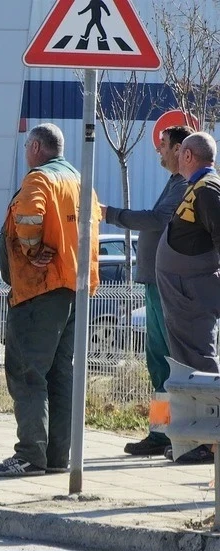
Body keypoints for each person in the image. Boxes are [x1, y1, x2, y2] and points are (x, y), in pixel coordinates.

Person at [0, 123, 100, 477]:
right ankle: (55, 456)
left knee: (27, 372)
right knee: (60, 374)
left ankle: (29, 455)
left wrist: (32, 248)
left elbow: (27, 215)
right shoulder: (82, 182)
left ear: (35, 147)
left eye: (26, 148)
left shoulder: (40, 179)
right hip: (73, 291)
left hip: (40, 290)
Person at [100, 125, 193, 458]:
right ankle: (160, 432)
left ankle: (174, 432)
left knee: (168, 362)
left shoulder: (184, 184)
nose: (159, 152)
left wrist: (110, 214)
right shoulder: (175, 182)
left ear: (181, 149)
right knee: (157, 362)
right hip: (156, 282)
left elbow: (157, 219)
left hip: (167, 284)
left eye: (163, 146)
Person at [156, 131, 220, 464]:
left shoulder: (207, 190)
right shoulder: (196, 187)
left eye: (182, 153)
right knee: (185, 365)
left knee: (200, 364)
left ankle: (209, 442)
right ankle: (192, 438)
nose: (176, 157)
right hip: (182, 294)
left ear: (190, 156)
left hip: (191, 295)